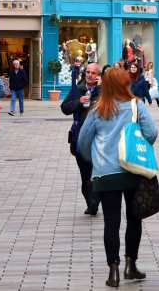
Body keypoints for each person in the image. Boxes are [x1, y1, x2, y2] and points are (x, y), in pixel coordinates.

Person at [77, 66, 158, 285]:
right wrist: (138, 144)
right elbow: (152, 133)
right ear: (125, 83)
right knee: (134, 218)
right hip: (132, 170)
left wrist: (95, 160)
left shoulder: (97, 109)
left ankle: (113, 270)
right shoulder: (136, 106)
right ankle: (131, 265)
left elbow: (82, 143)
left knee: (111, 222)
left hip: (105, 173)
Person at [61, 61, 102, 214]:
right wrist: (79, 101)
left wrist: (100, 89)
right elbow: (64, 108)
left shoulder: (103, 91)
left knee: (97, 174)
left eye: (93, 73)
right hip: (80, 139)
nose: (90, 75)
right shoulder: (78, 89)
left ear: (98, 76)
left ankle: (95, 201)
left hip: (99, 141)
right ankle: (91, 202)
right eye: (88, 72)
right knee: (85, 175)